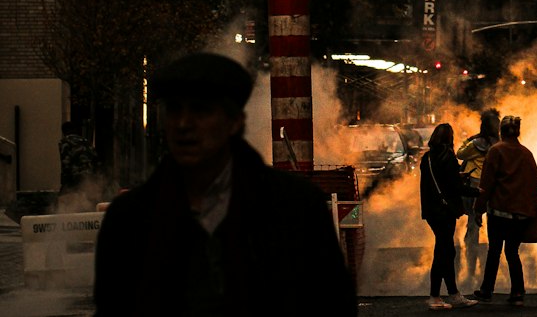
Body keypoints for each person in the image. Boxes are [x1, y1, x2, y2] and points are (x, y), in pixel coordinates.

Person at [93, 51, 356, 317]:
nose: (183, 124)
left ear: (234, 122)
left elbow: (333, 304)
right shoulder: (129, 218)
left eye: (201, 110)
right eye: (174, 109)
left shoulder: (296, 208)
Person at [472, 115, 537, 307]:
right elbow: (536, 180)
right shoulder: (526, 153)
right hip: (519, 215)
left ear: (501, 131)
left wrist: (478, 209)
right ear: (518, 131)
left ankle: (486, 290)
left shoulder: (496, 151)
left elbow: (486, 183)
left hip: (499, 212)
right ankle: (517, 292)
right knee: (512, 252)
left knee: (494, 250)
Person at [420, 123, 477, 310]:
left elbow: (436, 182)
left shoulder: (427, 158)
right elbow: (455, 187)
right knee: (443, 253)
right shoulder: (449, 157)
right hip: (445, 211)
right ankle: (436, 297)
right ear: (449, 138)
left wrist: (455, 177)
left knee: (445, 250)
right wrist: (477, 191)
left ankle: (452, 294)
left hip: (431, 211)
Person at [457, 109, 501, 272]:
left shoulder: (475, 144)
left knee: (473, 227)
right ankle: (493, 269)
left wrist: (468, 140)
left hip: (474, 187)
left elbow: (460, 154)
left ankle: (471, 268)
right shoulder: (500, 144)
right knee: (494, 229)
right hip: (494, 188)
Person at [58, 120, 102, 206]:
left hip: (76, 177)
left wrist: (64, 183)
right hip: (90, 176)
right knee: (88, 200)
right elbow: (96, 159)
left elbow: (66, 163)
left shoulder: (66, 142)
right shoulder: (85, 141)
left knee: (68, 202)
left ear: (64, 131)